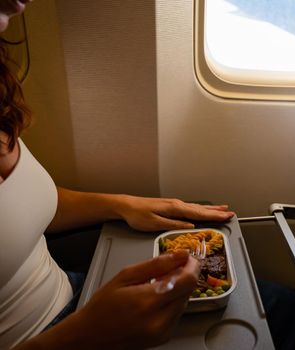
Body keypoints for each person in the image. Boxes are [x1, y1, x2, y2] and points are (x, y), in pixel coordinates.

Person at [1, 1, 236, 349]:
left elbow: (23, 206)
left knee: (276, 304)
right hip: (57, 338)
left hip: (76, 295)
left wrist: (125, 205)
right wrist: (86, 334)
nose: (22, 2)